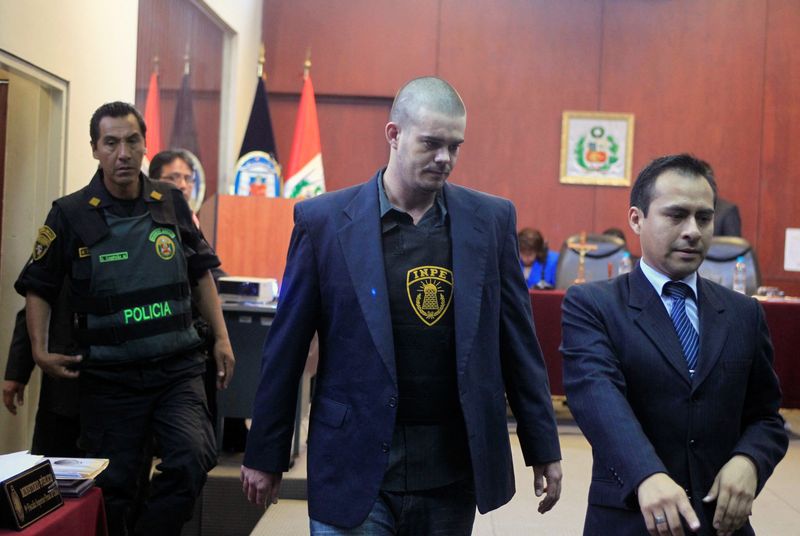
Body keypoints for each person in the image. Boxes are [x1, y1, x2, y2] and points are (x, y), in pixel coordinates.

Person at [241, 76, 562, 534]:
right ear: (393, 135)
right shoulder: (324, 222)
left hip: (450, 469)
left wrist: (543, 446)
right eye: (431, 143)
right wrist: (265, 453)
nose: (444, 159)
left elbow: (519, 344)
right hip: (354, 461)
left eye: (455, 146)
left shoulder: (490, 222)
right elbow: (285, 348)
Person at [15, 101, 235, 536]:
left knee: (193, 458)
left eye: (132, 141)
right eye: (111, 142)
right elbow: (38, 285)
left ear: (145, 145)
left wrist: (222, 338)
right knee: (114, 491)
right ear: (95, 149)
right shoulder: (71, 213)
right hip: (110, 380)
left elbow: (200, 272)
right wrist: (39, 353)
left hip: (177, 370)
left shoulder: (170, 200)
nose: (123, 153)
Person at [561, 154, 787, 535]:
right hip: (631, 517)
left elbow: (766, 417)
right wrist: (646, 474)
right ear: (637, 219)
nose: (693, 231)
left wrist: (750, 460)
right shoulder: (594, 305)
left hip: (722, 524)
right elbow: (599, 403)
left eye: (704, 217)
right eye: (676, 215)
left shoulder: (743, 313)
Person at [3, 285, 81, 457]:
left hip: (126, 384)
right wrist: (17, 373)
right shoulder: (57, 258)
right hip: (64, 378)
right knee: (51, 467)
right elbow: (34, 305)